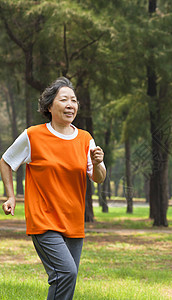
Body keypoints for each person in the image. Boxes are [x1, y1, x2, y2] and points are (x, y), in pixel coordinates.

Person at [0, 77, 106, 300]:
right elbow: (6, 161)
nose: (71, 105)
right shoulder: (33, 135)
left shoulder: (86, 139)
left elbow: (99, 178)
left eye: (74, 101)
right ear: (49, 106)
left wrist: (97, 163)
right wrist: (10, 196)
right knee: (66, 273)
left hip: (73, 221)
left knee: (67, 278)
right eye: (64, 99)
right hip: (44, 219)